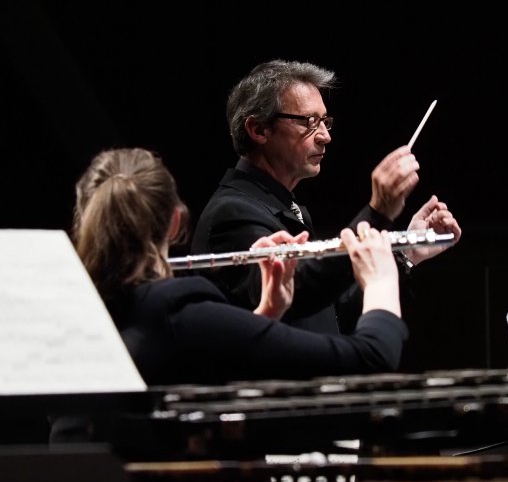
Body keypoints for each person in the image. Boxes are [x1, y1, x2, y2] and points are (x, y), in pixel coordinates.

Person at [67, 147, 408, 389]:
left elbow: (203, 366)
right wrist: (380, 282)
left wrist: (265, 316)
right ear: (174, 223)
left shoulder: (78, 320)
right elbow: (372, 357)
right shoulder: (178, 312)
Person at [191, 59, 462, 334]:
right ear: (259, 130)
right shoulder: (232, 213)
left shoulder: (285, 207)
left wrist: (407, 253)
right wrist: (377, 213)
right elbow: (293, 296)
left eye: (324, 121)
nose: (325, 137)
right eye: (309, 121)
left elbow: (330, 312)